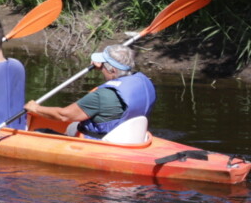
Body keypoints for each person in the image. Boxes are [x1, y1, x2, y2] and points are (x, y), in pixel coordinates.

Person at [24, 42, 156, 139]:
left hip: (100, 142)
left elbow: (64, 115)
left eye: (103, 65)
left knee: (39, 132)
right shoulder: (143, 83)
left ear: (113, 70)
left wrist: (35, 108)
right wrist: (104, 66)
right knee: (72, 126)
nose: (101, 68)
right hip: (132, 136)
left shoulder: (103, 95)